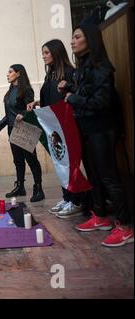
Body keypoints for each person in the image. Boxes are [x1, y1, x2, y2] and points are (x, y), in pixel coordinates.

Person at [61, 24, 133, 247]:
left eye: (77, 37)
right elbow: (85, 92)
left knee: (109, 177)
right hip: (88, 129)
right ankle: (100, 216)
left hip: (102, 129)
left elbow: (101, 102)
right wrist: (69, 87)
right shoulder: (82, 68)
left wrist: (72, 97)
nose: (72, 41)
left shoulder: (101, 67)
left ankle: (126, 226)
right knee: (93, 175)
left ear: (90, 40)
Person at [25, 39, 85, 218]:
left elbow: (78, 92)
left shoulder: (68, 72)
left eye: (46, 53)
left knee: (69, 163)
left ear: (56, 52)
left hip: (66, 125)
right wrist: (37, 103)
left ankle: (76, 200)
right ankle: (67, 197)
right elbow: (50, 97)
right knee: (60, 163)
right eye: (43, 53)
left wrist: (68, 87)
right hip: (53, 127)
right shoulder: (50, 74)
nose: (43, 56)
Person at [0, 64, 45, 202]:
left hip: (25, 128)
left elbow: (30, 109)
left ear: (18, 73)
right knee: (18, 160)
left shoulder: (26, 90)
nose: (7, 74)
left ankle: (39, 188)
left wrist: (23, 114)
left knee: (31, 158)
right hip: (12, 129)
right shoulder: (10, 91)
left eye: (10, 72)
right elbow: (9, 115)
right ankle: (20, 187)